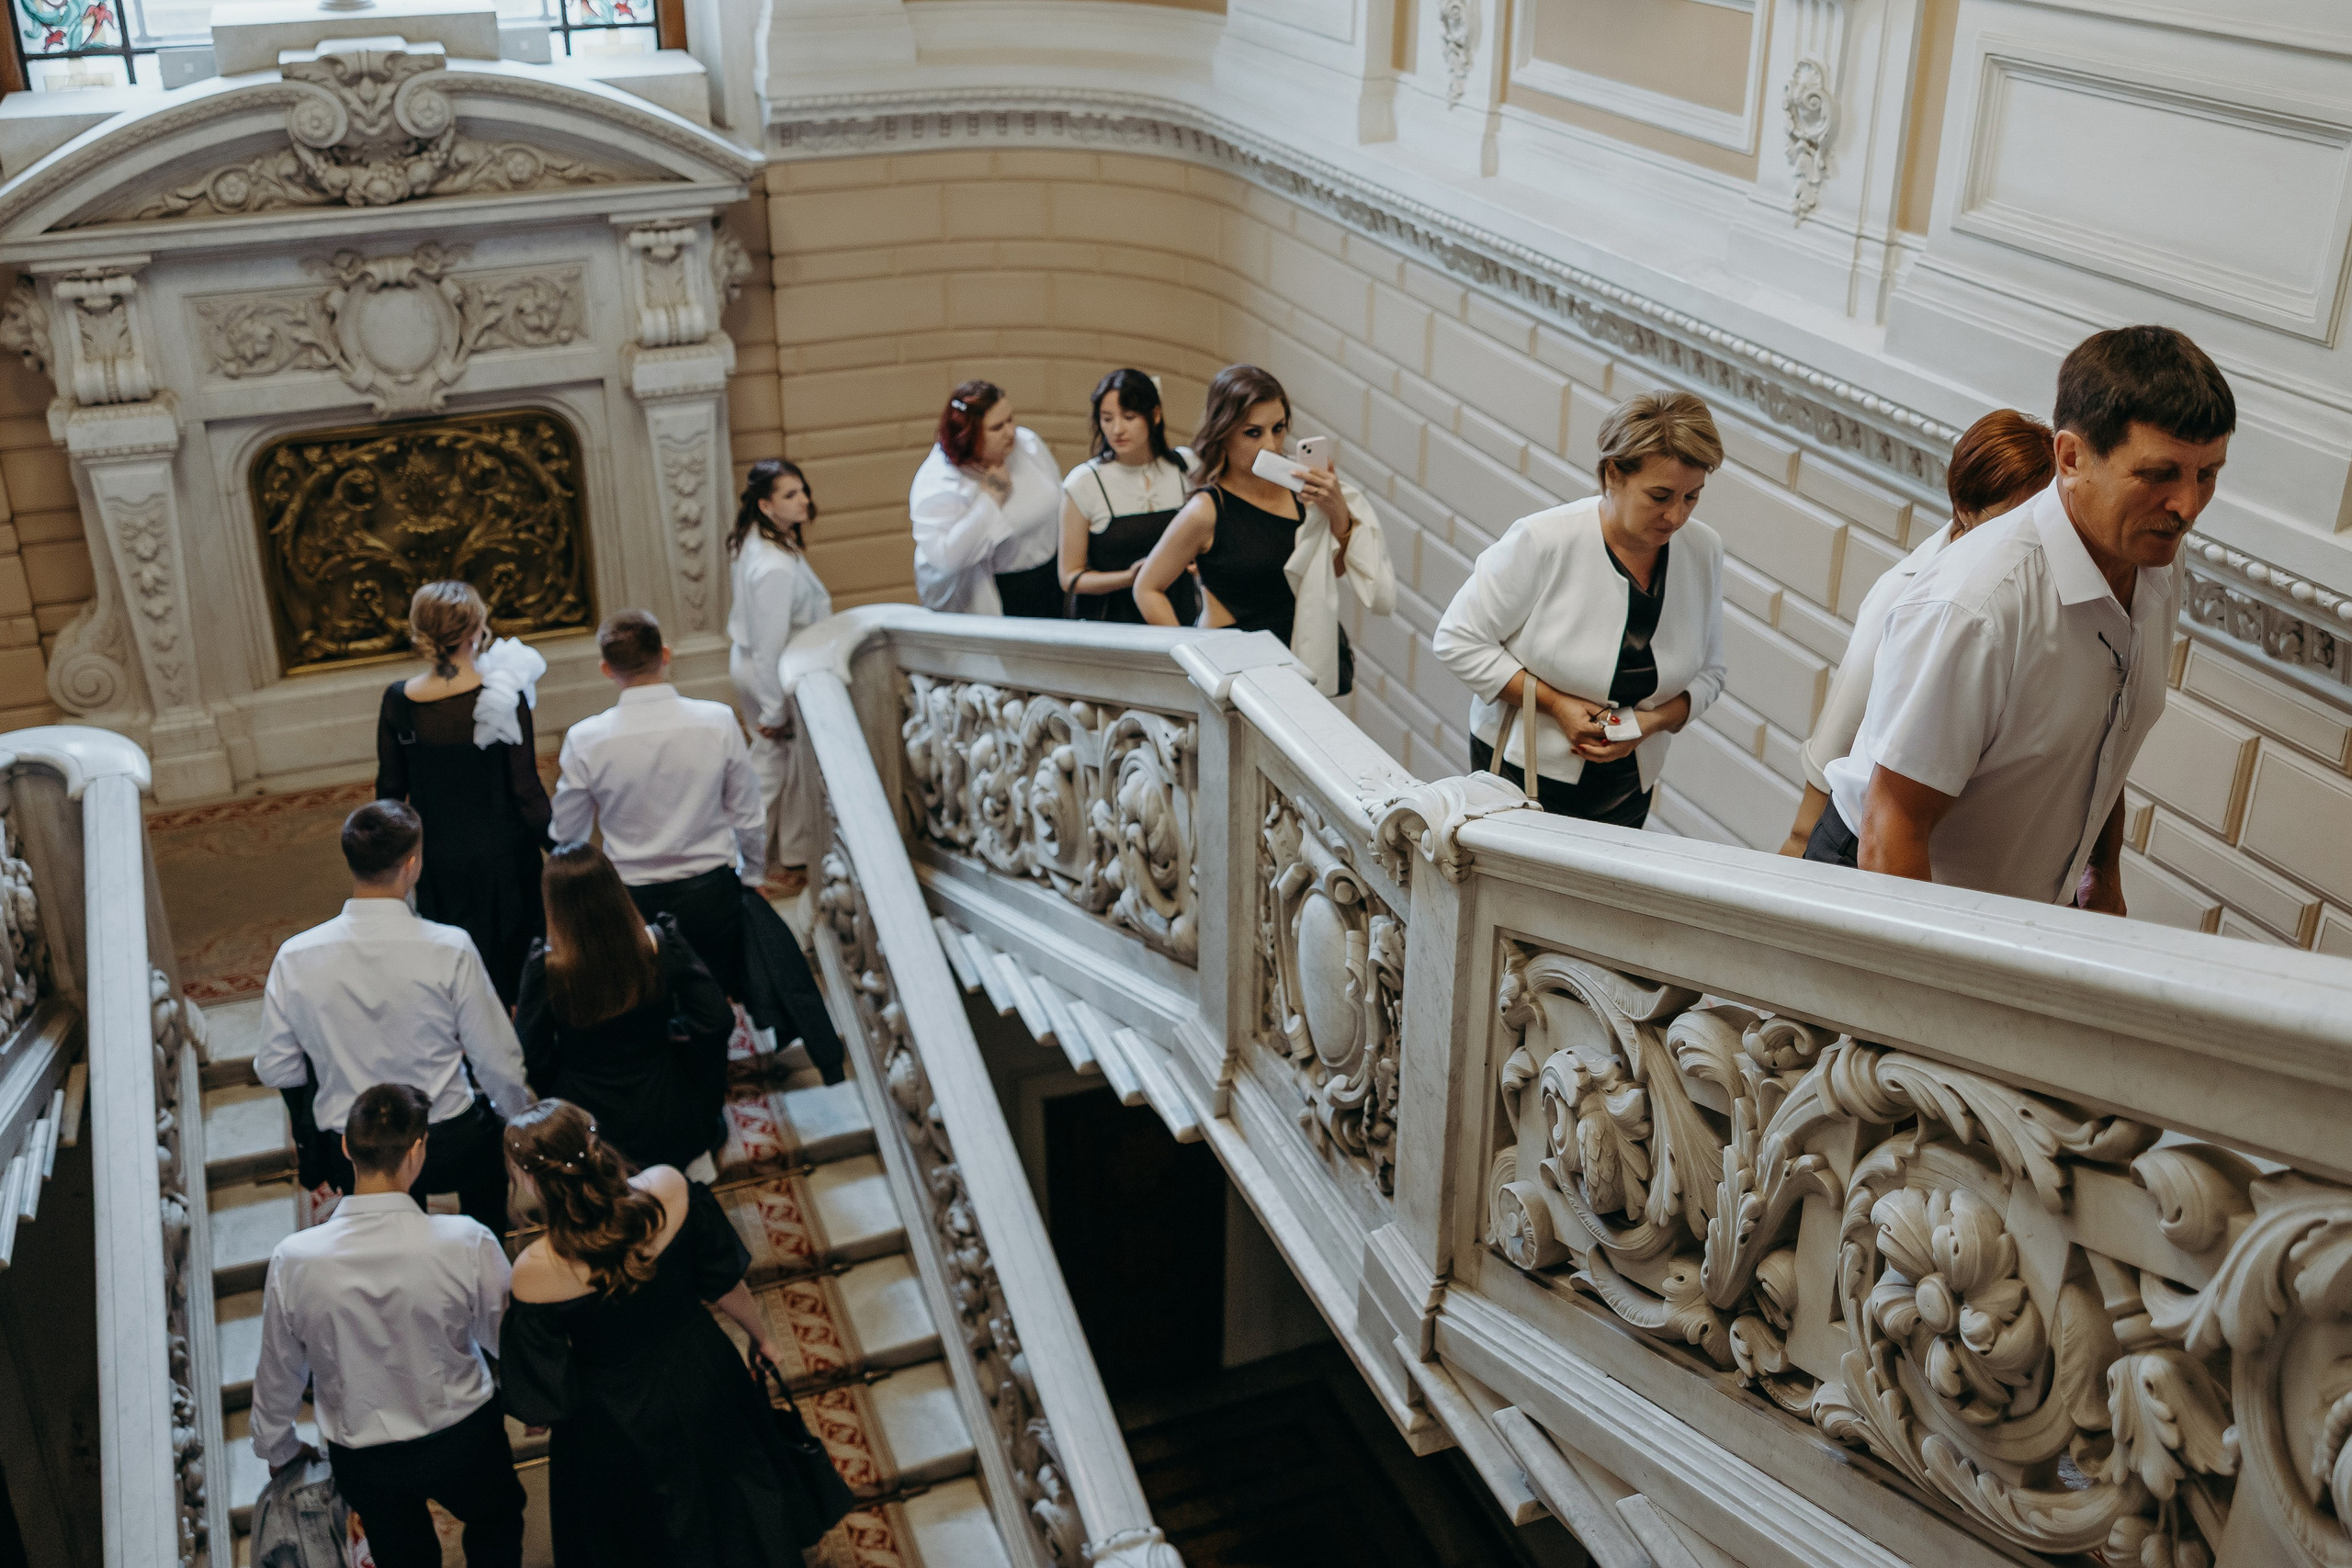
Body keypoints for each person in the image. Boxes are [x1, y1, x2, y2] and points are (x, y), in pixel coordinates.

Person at [1808, 325, 2234, 908]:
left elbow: (2102, 735)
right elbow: (1892, 831)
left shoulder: (2154, 555)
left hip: (2015, 909)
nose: (2187, 507)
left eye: (2207, 475)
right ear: (2071, 458)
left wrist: (2102, 876)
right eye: (2158, 474)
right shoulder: (1977, 607)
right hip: (1885, 886)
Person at [498, 1100, 857, 1566]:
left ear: (530, 1179)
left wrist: (539, 1411)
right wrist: (761, 1335)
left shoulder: (533, 1269)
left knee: (646, 1522)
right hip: (703, 1369)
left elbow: (546, 1391)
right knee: (732, 1481)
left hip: (614, 1413)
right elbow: (722, 1280)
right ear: (595, 1142)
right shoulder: (668, 1188)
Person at [552, 610, 845, 1081]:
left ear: (606, 669)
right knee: (716, 981)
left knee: (654, 993)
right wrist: (751, 876)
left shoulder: (585, 739)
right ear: (666, 655)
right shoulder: (717, 721)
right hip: (711, 895)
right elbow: (747, 814)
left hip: (633, 903)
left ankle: (677, 1074)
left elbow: (568, 834)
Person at [250, 1084, 525, 1568]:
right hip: (463, 1435)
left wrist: (278, 1447)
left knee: (403, 1557)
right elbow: (505, 1340)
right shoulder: (466, 1240)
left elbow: (279, 1369)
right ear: (418, 1150)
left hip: (364, 1455)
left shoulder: (294, 1260)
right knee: (496, 1523)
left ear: (345, 1147)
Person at [1431, 390, 1728, 829]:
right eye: (1660, 496)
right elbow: (1456, 640)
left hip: (1630, 783)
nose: (1675, 517)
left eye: (1691, 497)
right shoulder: (1543, 540)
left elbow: (1711, 674)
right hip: (1521, 775)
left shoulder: (1703, 550)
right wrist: (1555, 704)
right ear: (1613, 474)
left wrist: (1648, 724)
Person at [1779, 411, 2057, 855]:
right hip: (1864, 840)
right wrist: (1799, 842)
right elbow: (1839, 730)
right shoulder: (1908, 593)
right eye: (2012, 520)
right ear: (1965, 510)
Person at [254, 801, 530, 1232]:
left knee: (385, 1241)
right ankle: (488, 1257)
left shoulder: (295, 956)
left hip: (353, 1143)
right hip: (447, 1138)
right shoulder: (450, 948)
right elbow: (496, 1063)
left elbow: (275, 1067)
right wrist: (518, 1121)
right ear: (412, 864)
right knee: (487, 1214)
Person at [1133, 364, 1395, 696]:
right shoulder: (1206, 510)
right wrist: (1191, 659)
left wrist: (1337, 512)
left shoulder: (1301, 490)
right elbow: (1147, 588)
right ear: (1223, 432)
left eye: (1278, 429)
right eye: (1253, 433)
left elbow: (1330, 570)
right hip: (1236, 665)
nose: (1271, 444)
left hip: (1302, 651)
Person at [375, 580, 553, 1008]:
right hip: (506, 855)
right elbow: (525, 789)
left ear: (420, 634)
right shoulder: (503, 696)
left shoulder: (399, 701)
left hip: (439, 858)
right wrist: (561, 847)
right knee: (518, 969)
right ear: (476, 630)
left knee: (458, 965)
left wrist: (389, 867)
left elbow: (391, 793)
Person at [515, 841, 736, 1174]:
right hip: (664, 1104)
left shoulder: (546, 968)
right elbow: (717, 1019)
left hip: (588, 1121)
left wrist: (562, 1085)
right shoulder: (659, 944)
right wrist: (686, 1054)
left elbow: (532, 1053)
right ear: (615, 888)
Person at [727, 459, 833, 898]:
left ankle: (789, 858)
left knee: (786, 767)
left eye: (802, 490)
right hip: (769, 672)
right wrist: (774, 709)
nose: (804, 500)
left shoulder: (758, 539)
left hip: (757, 665)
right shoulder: (774, 565)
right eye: (790, 495)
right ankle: (745, 869)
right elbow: (769, 643)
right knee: (768, 772)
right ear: (766, 505)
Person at [908, 379, 1064, 617]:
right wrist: (991, 497)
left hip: (1050, 580)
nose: (1011, 432)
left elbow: (1058, 497)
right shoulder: (939, 481)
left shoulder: (1028, 444)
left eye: (1010, 420)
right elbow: (947, 559)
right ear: (968, 435)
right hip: (1003, 594)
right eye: (997, 427)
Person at [1058, 368, 1199, 626]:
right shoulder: (1084, 482)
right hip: (1113, 623)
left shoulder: (1185, 466)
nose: (1117, 430)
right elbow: (1070, 578)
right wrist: (1130, 578)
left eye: (1129, 417)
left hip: (1179, 615)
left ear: (1155, 414)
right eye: (1107, 419)